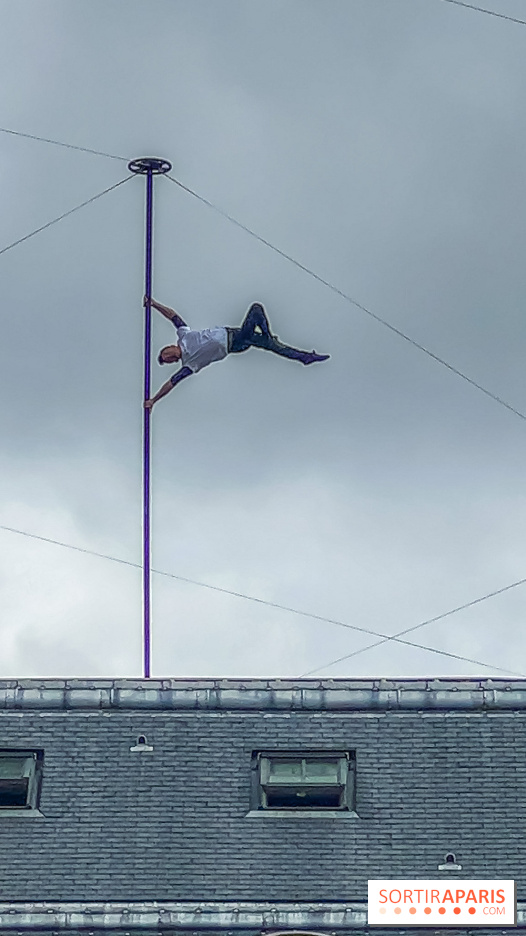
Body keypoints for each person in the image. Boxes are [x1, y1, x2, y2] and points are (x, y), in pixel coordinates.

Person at [143, 296, 330, 410]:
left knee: (266, 335)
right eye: (167, 361)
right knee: (256, 310)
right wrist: (153, 400)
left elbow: (172, 316)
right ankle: (272, 339)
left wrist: (153, 304)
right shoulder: (190, 364)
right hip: (235, 343)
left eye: (165, 354)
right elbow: (171, 383)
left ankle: (303, 356)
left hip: (231, 332)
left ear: (169, 346)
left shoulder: (184, 335)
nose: (168, 358)